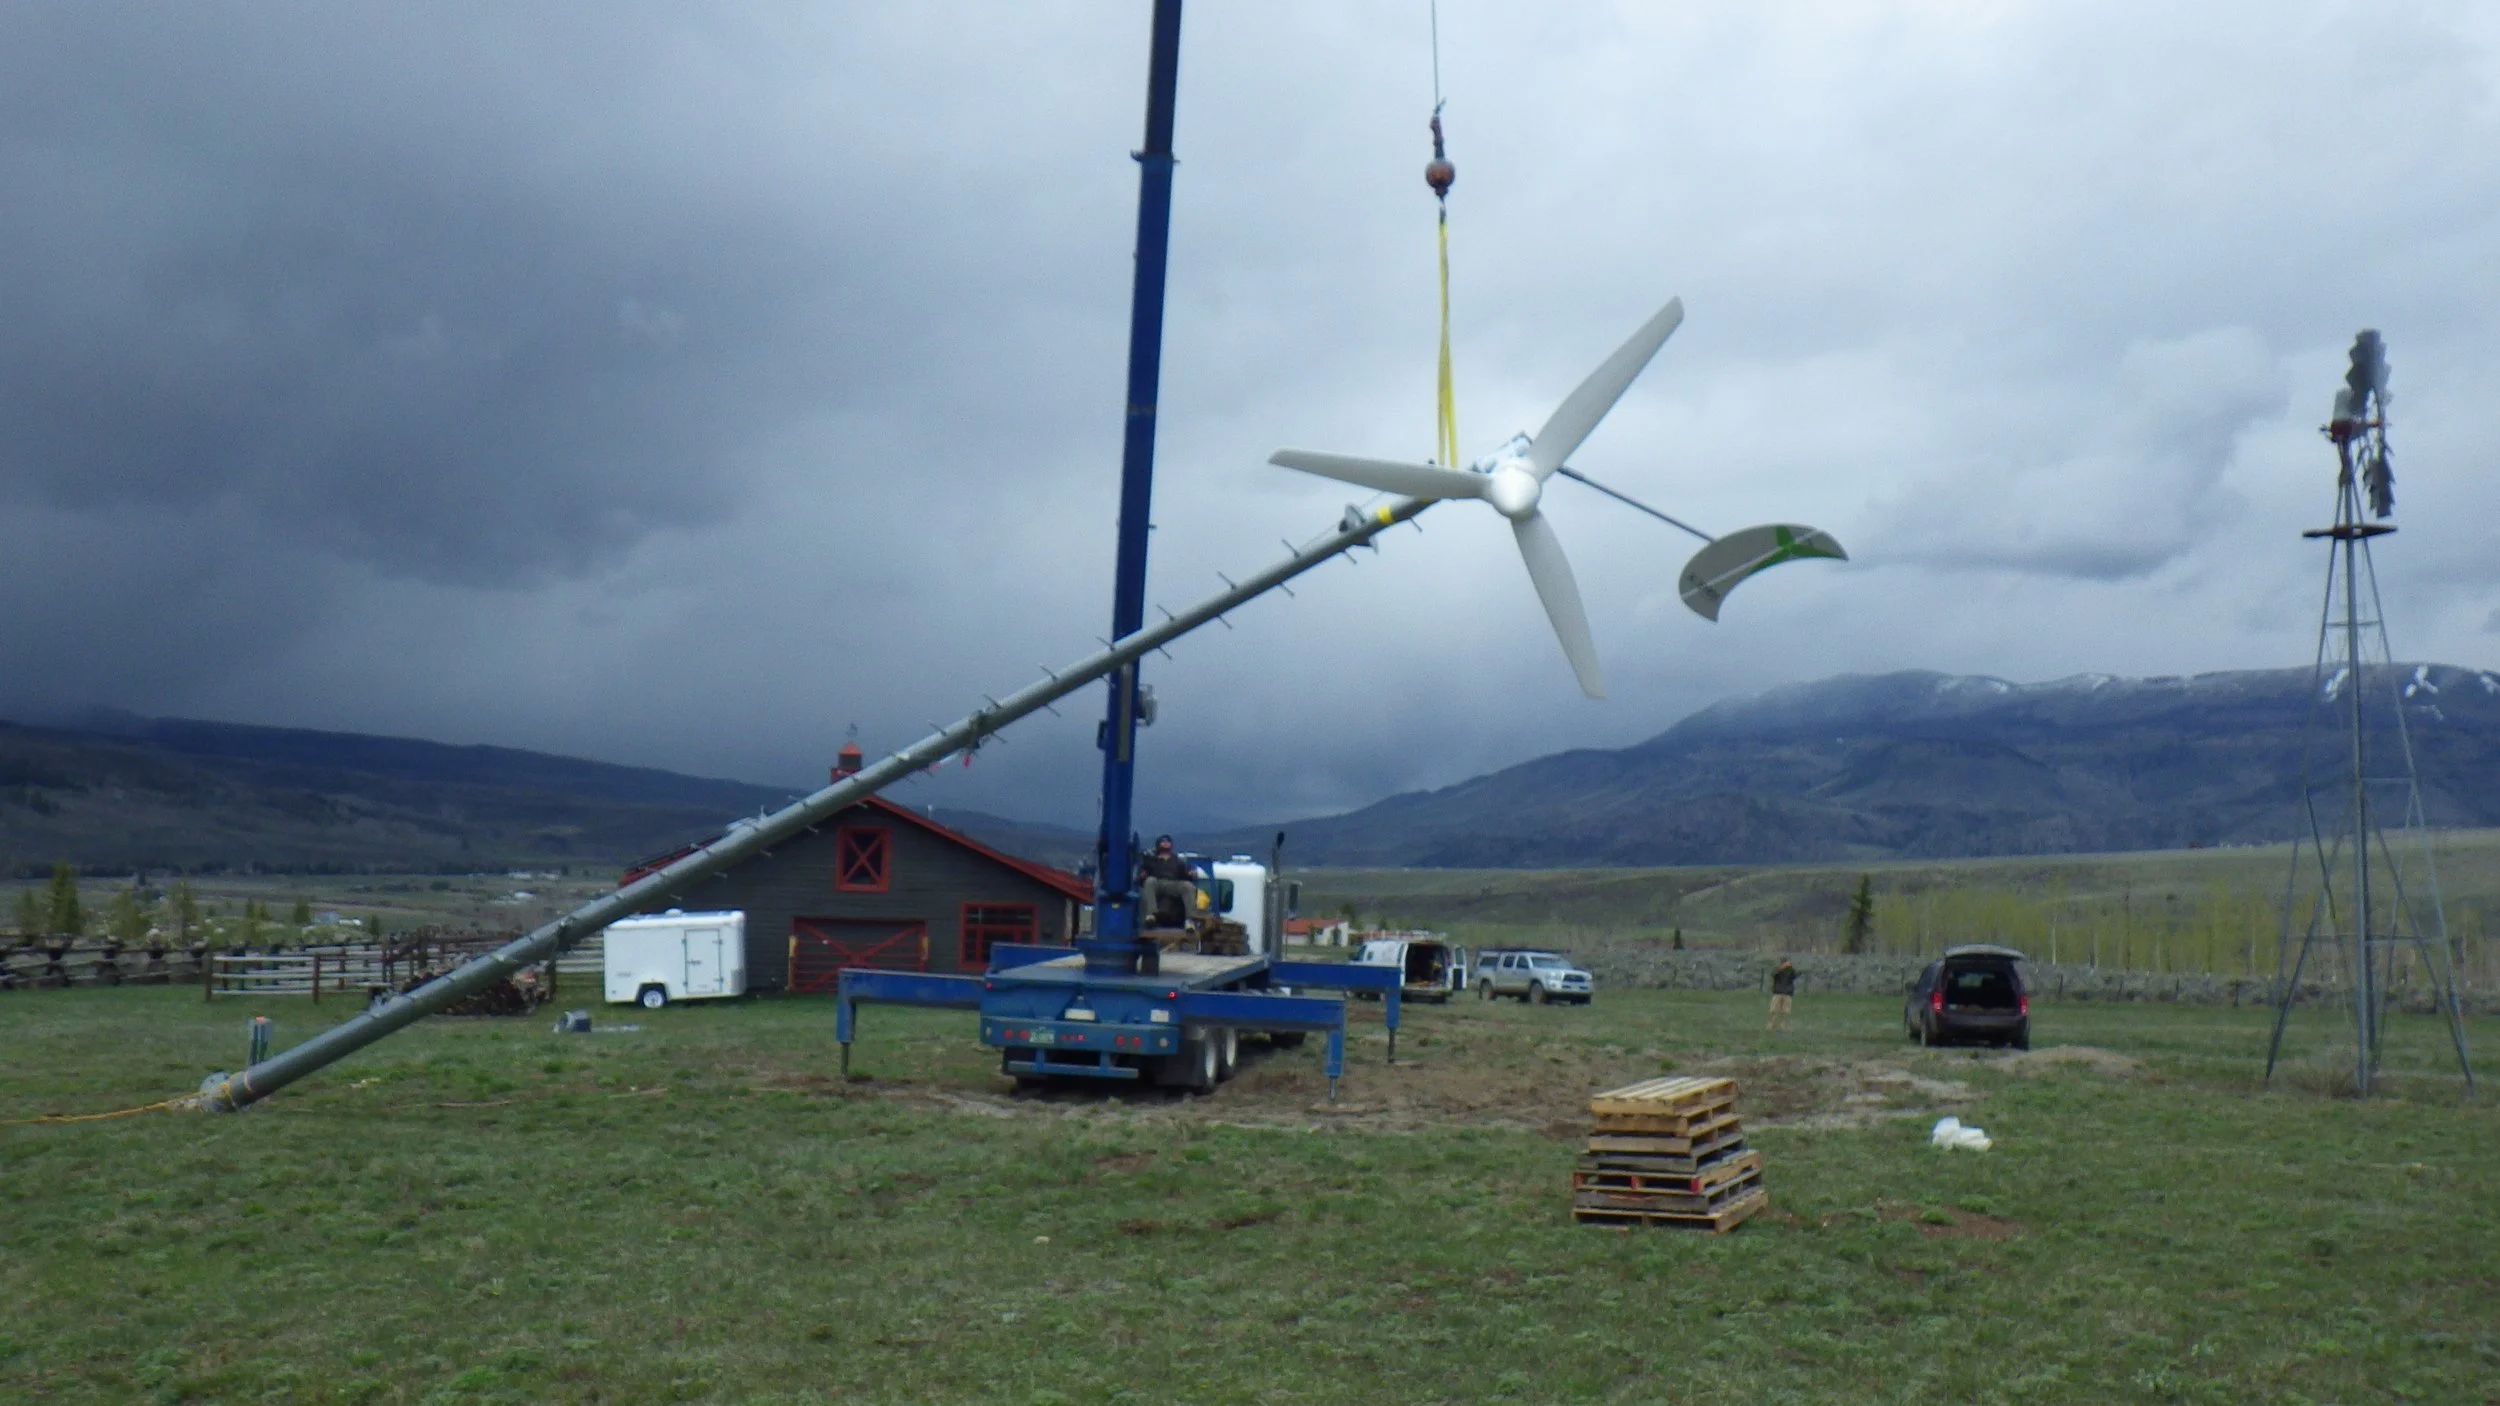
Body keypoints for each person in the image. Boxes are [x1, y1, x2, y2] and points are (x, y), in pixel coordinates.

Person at [1137, 836, 1199, 930]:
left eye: (1168, 841)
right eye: (1163, 841)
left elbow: (1186, 876)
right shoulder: (1151, 860)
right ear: (1158, 844)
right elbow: (1142, 877)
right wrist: (1142, 875)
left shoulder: (1178, 861)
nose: (1166, 843)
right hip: (1158, 883)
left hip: (1173, 883)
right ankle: (1151, 915)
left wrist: (1191, 875)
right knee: (1150, 881)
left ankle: (1190, 920)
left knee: (1188, 886)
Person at [1767, 957, 1797, 1032]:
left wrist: (1790, 968)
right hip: (1778, 992)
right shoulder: (1777, 969)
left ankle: (1784, 1026)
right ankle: (1771, 1025)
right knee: (1774, 1010)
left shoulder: (1791, 970)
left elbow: (1794, 976)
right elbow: (1773, 974)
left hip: (1787, 993)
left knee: (1786, 1011)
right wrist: (1781, 969)